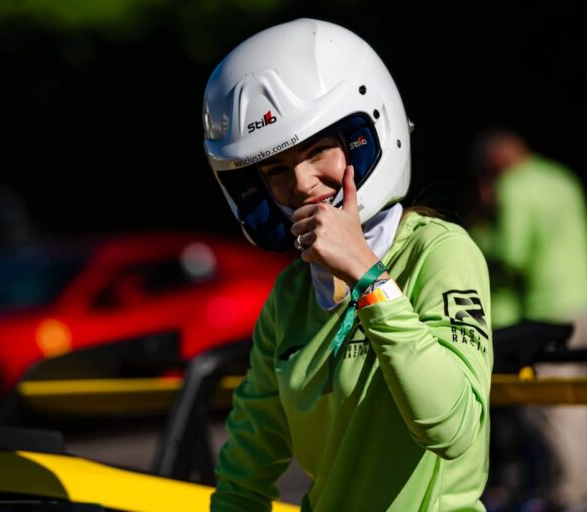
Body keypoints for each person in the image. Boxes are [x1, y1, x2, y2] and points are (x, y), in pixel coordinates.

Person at [201, 18, 493, 511]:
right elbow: (243, 476)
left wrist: (368, 276)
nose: (301, 184)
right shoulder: (291, 296)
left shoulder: (438, 252)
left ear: (366, 137)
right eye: (275, 169)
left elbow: (453, 428)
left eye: (318, 150)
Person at [467, 128, 587, 510]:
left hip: (546, 308)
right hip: (581, 300)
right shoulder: (561, 178)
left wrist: (474, 244)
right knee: (579, 402)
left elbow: (512, 255)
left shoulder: (514, 187)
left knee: (550, 409)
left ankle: (568, 495)